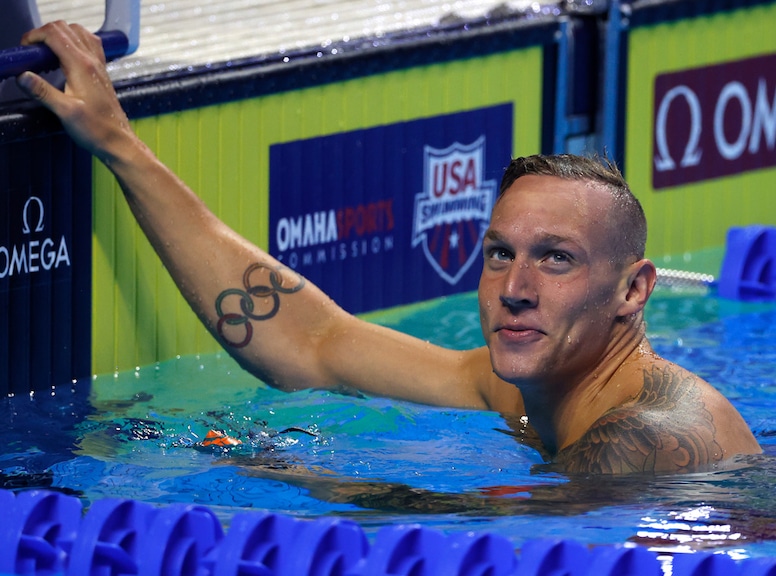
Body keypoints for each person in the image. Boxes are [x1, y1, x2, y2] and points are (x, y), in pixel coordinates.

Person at [16, 21, 761, 475]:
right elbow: (313, 342)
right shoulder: (527, 385)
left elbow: (484, 544)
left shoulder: (643, 441)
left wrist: (290, 474)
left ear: (634, 290)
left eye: (556, 257)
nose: (516, 286)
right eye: (500, 253)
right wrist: (116, 142)